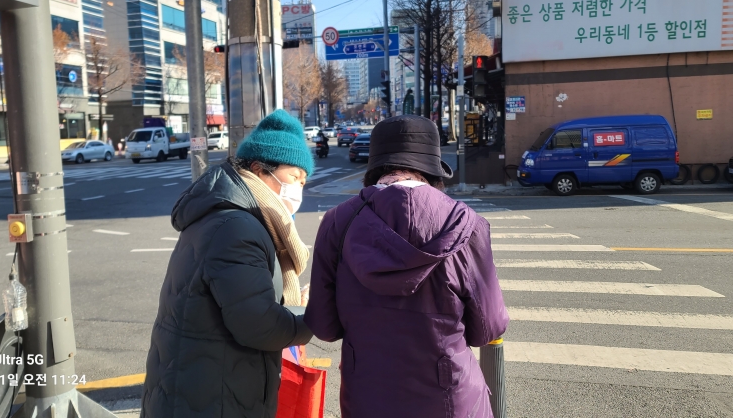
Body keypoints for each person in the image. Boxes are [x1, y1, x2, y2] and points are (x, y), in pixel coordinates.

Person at [305, 115, 509, 418]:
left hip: (366, 397)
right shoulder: (466, 224)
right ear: (432, 169)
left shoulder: (338, 222)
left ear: (375, 167)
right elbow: (487, 328)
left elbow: (324, 326)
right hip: (451, 397)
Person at [141, 109, 315, 418]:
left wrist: (294, 306)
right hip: (211, 398)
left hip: (206, 387)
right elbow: (259, 326)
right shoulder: (237, 227)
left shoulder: (231, 216)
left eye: (304, 182)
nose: (299, 189)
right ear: (259, 169)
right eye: (294, 177)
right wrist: (313, 315)